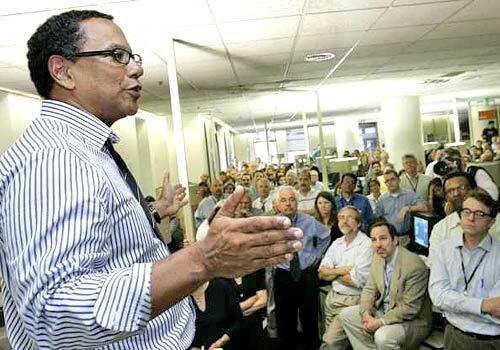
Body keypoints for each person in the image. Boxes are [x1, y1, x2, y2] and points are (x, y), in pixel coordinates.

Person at [0, 10, 303, 349]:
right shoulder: (55, 159)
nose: (137, 68)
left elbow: (112, 247)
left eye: (132, 57)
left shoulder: (86, 152)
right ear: (63, 71)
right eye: (118, 56)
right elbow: (56, 314)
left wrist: (156, 214)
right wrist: (203, 259)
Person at [340, 219, 432, 350]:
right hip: (384, 310)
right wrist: (366, 313)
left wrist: (379, 322)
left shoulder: (414, 266)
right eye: (374, 240)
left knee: (383, 336)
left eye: (383, 239)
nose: (378, 244)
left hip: (411, 320)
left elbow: (410, 308)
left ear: (395, 240)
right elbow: (369, 289)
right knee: (346, 315)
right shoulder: (378, 257)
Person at [429, 190, 500, 349]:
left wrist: (454, 302)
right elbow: (438, 296)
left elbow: (497, 310)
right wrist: (482, 306)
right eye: (466, 211)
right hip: (454, 336)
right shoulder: (445, 249)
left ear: (492, 221)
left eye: (479, 213)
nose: (471, 218)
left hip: (491, 340)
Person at [273, 186, 331, 350]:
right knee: (285, 321)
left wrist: (315, 256)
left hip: (306, 274)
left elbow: (325, 236)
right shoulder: (272, 224)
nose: (288, 204)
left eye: (292, 199)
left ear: (297, 202)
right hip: (283, 275)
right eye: (283, 200)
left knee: (310, 319)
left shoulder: (308, 221)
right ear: (277, 204)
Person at [318, 206, 372, 350]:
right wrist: (343, 270)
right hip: (332, 299)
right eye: (341, 217)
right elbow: (321, 273)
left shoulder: (366, 245)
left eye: (350, 218)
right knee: (328, 338)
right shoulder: (337, 243)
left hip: (352, 302)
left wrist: (333, 273)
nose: (344, 221)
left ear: (359, 223)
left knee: (331, 342)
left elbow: (355, 281)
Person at [428, 172, 500, 261]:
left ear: (475, 189)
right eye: (450, 191)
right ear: (446, 197)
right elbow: (435, 265)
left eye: (462, 187)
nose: (456, 194)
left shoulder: (497, 221)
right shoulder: (441, 229)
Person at [375, 170, 428, 246]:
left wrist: (406, 208)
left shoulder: (410, 195)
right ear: (385, 183)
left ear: (398, 180)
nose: (390, 182)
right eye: (387, 181)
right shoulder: (382, 200)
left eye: (393, 179)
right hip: (389, 239)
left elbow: (424, 207)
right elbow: (378, 220)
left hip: (405, 239)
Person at [191, 278, 242, 350]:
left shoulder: (222, 286)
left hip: (227, 346)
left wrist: (222, 341)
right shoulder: (181, 298)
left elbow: (238, 321)